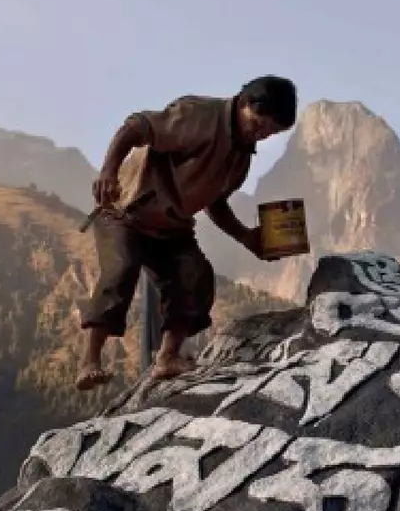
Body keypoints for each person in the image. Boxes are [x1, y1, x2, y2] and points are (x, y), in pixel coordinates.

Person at [76, 75, 298, 390]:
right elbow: (136, 127)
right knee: (120, 270)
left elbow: (215, 204)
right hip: (126, 213)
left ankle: (168, 358)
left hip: (172, 227)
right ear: (245, 102)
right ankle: (90, 361)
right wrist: (109, 171)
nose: (260, 134)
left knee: (195, 275)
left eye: (269, 132)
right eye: (258, 123)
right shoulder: (197, 114)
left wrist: (248, 237)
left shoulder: (241, 157)